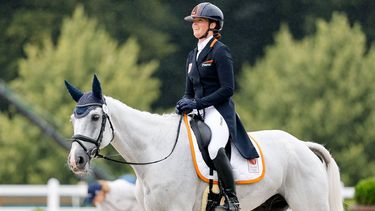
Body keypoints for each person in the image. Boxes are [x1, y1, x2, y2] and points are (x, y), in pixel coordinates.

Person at [175, 2, 259, 210]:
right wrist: (184, 103)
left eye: (199, 21)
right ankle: (209, 192)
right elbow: (189, 91)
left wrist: (197, 103)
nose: (194, 25)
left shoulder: (220, 52)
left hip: (218, 112)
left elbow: (227, 89)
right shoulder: (192, 55)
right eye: (193, 22)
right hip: (198, 111)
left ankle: (231, 199)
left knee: (214, 147)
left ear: (213, 25)